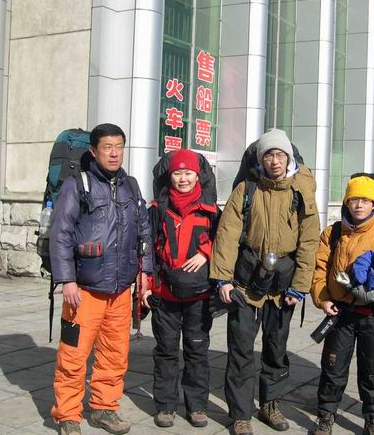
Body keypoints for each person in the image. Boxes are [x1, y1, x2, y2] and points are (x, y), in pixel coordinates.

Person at [210, 128, 320, 435]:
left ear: (289, 158)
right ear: (260, 159)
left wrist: (300, 286)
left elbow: (309, 240)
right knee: (241, 350)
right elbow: (227, 235)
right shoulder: (246, 189)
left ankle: (270, 404)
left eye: (280, 154)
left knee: (276, 349)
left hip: (283, 285)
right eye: (269, 155)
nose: (275, 161)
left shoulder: (300, 192)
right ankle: (240, 414)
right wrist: (223, 280)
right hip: (245, 283)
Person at [49, 123, 152, 435]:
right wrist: (67, 280)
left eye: (119, 146)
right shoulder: (77, 185)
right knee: (73, 356)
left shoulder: (131, 186)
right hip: (84, 290)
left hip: (120, 290)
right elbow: (61, 234)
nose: (114, 153)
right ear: (93, 151)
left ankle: (104, 409)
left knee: (114, 355)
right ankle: (68, 415)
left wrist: (145, 272)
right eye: (107, 147)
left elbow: (144, 231)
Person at [310, 176, 374, 435]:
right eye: (354, 199)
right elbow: (319, 269)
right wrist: (323, 299)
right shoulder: (332, 233)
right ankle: (325, 416)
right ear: (346, 201)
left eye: (365, 200)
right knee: (333, 369)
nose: (359, 205)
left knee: (373, 371)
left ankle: (373, 420)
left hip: (372, 317)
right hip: (340, 314)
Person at [141, 149, 218, 428]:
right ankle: (165, 406)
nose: (183, 179)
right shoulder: (157, 210)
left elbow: (224, 242)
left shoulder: (211, 210)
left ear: (198, 176)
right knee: (166, 351)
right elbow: (146, 250)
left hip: (199, 295)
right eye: (177, 173)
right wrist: (146, 286)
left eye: (188, 173)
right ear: (169, 175)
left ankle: (197, 406)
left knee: (197, 351)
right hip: (165, 294)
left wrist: (206, 254)